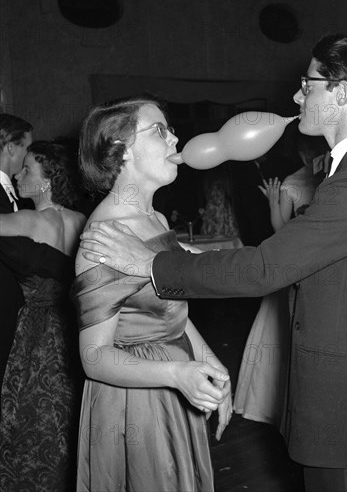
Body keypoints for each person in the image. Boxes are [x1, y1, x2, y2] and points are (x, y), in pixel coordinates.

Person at [80, 34, 347, 492]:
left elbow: (264, 269)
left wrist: (153, 265)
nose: (297, 96)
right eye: (160, 130)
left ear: (340, 93)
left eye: (308, 84)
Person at [73, 95, 232, 492]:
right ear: (119, 150)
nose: (176, 140)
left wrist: (209, 360)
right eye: (160, 131)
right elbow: (95, 358)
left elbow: (168, 310)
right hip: (137, 400)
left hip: (174, 377)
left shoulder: (155, 218)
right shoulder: (104, 238)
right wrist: (177, 373)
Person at [0, 141, 86, 491]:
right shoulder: (80, 220)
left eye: (28, 170)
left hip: (36, 330)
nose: (19, 174)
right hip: (75, 325)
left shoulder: (28, 221)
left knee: (30, 415)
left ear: (47, 181)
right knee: (68, 409)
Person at [234, 134, 326, 430]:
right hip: (294, 267)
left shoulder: (330, 178)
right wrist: (274, 203)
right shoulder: (291, 183)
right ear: (302, 154)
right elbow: (280, 232)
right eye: (310, 152)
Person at [0, 114, 33, 384]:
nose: (28, 154)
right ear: (11, 147)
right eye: (26, 147)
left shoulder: (14, 192)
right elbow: (14, 250)